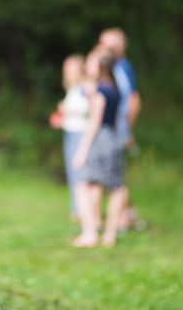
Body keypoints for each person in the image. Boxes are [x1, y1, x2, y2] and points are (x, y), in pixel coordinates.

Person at [71, 47, 125, 248]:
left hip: (99, 138)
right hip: (113, 136)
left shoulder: (100, 91)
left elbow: (95, 121)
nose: (87, 66)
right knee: (116, 187)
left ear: (101, 67)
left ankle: (90, 233)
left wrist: (82, 150)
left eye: (92, 63)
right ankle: (109, 235)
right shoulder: (113, 88)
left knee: (84, 184)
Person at [99, 27, 143, 231]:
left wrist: (126, 129)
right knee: (113, 175)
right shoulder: (114, 68)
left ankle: (125, 217)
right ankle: (126, 215)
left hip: (117, 129)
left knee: (117, 178)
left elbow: (133, 100)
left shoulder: (122, 67)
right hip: (112, 128)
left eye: (106, 44)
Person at [49, 54, 90, 218]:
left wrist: (68, 110)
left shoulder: (86, 87)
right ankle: (77, 207)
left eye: (69, 69)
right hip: (71, 132)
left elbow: (91, 110)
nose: (65, 72)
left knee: (79, 171)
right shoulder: (72, 88)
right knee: (72, 170)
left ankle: (82, 209)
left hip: (81, 133)